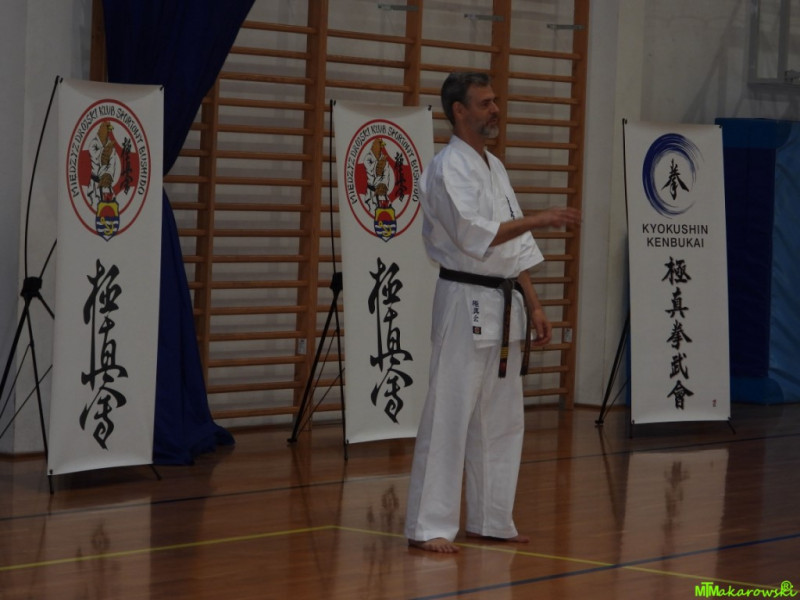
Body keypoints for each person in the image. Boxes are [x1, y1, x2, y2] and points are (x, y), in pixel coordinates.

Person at [404, 71, 581, 554]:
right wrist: (541, 217)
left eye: (495, 101)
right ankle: (429, 524)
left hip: (505, 302)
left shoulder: (494, 166)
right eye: (485, 103)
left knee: (501, 420)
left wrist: (535, 302)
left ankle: (491, 519)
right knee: (450, 414)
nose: (495, 110)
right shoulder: (448, 168)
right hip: (463, 301)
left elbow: (515, 245)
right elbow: (474, 235)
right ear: (459, 111)